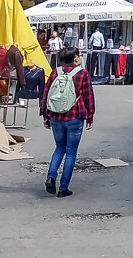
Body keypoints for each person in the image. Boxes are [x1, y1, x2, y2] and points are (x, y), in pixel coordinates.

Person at [41, 47, 95, 198]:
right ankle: (63, 188)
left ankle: (51, 177)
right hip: (75, 117)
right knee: (71, 152)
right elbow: (88, 96)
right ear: (76, 58)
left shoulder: (55, 72)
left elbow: (46, 94)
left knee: (59, 148)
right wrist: (90, 115)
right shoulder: (82, 73)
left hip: (56, 117)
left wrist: (45, 115)